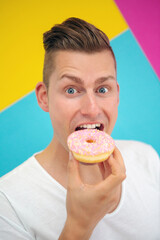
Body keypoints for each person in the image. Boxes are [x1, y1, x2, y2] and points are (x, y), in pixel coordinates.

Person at [0, 17, 159, 240]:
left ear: (117, 95)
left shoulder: (146, 158)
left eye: (103, 89)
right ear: (44, 98)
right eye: (72, 90)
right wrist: (79, 225)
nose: (92, 109)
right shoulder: (7, 203)